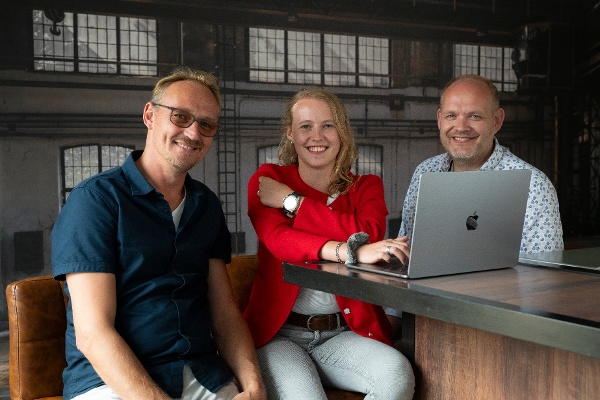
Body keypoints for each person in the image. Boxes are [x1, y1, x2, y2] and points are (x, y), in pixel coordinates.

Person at [51, 67, 266, 400]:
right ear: (150, 115)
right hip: (110, 381)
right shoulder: (95, 201)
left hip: (200, 373)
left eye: (206, 125)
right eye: (180, 117)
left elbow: (224, 313)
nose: (193, 133)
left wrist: (253, 385)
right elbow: (93, 333)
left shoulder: (205, 205)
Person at [245, 87, 415, 399]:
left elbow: (369, 231)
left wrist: (293, 203)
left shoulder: (366, 186)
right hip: (279, 335)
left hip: (343, 332)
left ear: (342, 132)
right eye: (305, 126)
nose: (317, 136)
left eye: (328, 125)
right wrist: (350, 250)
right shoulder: (268, 179)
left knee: (396, 374)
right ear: (291, 134)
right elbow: (281, 241)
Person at [399, 74, 564, 253]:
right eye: (451, 116)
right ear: (440, 119)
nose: (461, 127)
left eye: (475, 116)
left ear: (497, 121)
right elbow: (406, 252)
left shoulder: (533, 186)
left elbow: (546, 274)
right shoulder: (424, 172)